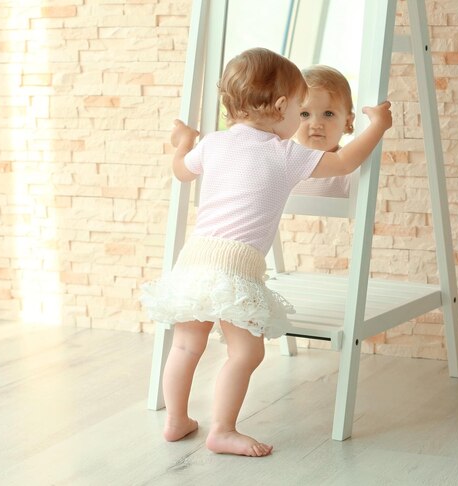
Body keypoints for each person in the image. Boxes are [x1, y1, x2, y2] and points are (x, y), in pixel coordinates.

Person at [140, 47, 391, 457]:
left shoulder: (217, 144)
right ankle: (221, 429)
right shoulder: (285, 153)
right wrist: (377, 125)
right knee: (247, 351)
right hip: (234, 267)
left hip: (193, 260)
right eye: (300, 108)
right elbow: (344, 162)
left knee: (186, 346)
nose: (303, 120)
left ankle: (176, 420)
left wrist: (183, 142)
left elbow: (181, 170)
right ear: (280, 107)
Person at [292, 65, 355, 198]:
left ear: (347, 122)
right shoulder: (284, 161)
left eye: (328, 113)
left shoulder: (350, 168)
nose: (315, 124)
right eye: (304, 114)